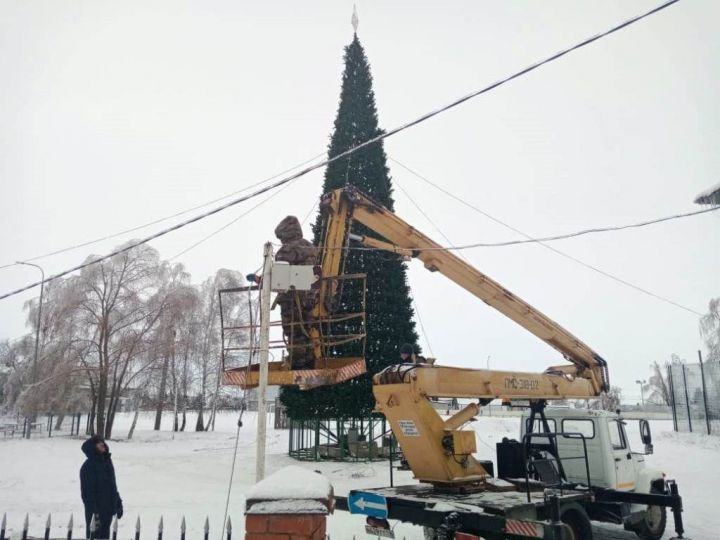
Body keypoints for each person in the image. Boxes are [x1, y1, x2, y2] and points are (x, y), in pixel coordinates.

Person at [274, 215, 318, 369]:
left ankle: (297, 365)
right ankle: (309, 362)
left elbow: (280, 279)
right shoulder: (310, 247)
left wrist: (265, 280)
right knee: (306, 330)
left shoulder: (285, 251)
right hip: (310, 297)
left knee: (293, 331)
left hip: (291, 300)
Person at [80, 435, 123, 539]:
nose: (102, 444)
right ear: (93, 447)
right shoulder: (88, 466)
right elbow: (87, 493)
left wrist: (117, 503)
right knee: (94, 536)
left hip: (107, 511)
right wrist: (94, 513)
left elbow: (112, 485)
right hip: (96, 513)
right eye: (99, 443)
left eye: (102, 442)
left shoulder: (107, 463)